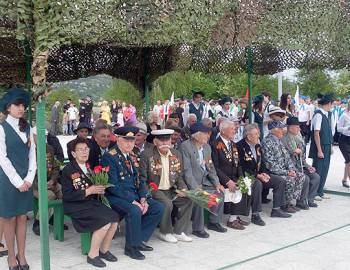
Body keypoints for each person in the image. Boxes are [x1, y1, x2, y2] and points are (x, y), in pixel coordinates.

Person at [101, 126, 164, 260]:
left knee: (158, 207)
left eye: (132, 140)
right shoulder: (109, 157)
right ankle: (131, 248)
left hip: (133, 195)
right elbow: (112, 186)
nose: (130, 143)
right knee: (134, 210)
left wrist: (143, 198)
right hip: (115, 196)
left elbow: (140, 180)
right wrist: (133, 200)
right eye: (126, 140)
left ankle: (139, 240)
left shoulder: (131, 155)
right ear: (118, 139)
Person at [61, 138, 119, 268]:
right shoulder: (68, 170)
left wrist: (99, 189)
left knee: (114, 219)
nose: (84, 152)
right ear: (74, 154)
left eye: (86, 149)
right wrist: (88, 191)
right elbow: (68, 195)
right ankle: (92, 255)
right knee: (104, 222)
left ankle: (104, 250)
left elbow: (92, 188)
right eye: (80, 150)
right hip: (75, 206)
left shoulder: (89, 167)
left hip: (90, 203)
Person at [0, 87, 36, 270]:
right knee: (9, 219)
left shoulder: (28, 128)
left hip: (25, 179)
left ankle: (22, 255)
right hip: (8, 180)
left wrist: (29, 178)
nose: (21, 108)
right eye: (17, 104)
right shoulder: (1, 128)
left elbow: (32, 156)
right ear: (7, 107)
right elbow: (2, 159)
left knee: (22, 217)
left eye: (23, 105)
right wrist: (18, 181)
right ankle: (10, 257)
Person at [140, 129, 193, 243]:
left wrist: (183, 189)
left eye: (167, 140)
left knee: (188, 199)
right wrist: (144, 194)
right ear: (155, 142)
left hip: (171, 189)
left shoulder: (176, 154)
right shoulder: (147, 154)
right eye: (161, 140)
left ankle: (178, 232)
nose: (165, 143)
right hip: (154, 189)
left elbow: (179, 176)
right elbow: (143, 178)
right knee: (167, 203)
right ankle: (165, 232)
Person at [237, 124, 291, 224]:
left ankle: (276, 209)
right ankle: (255, 214)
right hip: (243, 177)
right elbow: (241, 167)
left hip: (259, 175)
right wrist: (257, 175)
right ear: (248, 136)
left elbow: (262, 163)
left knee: (279, 180)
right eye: (256, 134)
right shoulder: (240, 146)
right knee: (257, 183)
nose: (259, 136)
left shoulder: (257, 145)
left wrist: (265, 173)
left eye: (258, 133)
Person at [180, 123, 226, 238]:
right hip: (189, 183)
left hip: (204, 181)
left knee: (219, 193)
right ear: (196, 135)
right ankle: (198, 228)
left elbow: (210, 167)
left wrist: (216, 183)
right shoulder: (185, 146)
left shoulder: (207, 147)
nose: (208, 136)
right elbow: (187, 171)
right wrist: (195, 187)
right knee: (200, 197)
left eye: (208, 133)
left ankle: (214, 222)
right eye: (205, 133)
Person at [211, 120, 251, 229]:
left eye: (234, 129)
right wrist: (228, 181)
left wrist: (241, 178)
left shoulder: (233, 144)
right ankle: (231, 220)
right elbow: (215, 167)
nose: (235, 131)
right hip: (222, 179)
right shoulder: (215, 144)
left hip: (234, 176)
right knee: (236, 187)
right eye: (232, 129)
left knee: (245, 185)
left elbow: (238, 164)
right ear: (223, 131)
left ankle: (235, 216)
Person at [262, 121, 308, 212]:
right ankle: (285, 205)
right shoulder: (267, 142)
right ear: (273, 130)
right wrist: (287, 172)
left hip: (284, 171)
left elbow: (287, 159)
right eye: (281, 128)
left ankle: (290, 202)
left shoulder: (279, 140)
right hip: (272, 172)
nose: (283, 130)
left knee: (300, 176)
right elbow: (270, 164)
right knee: (289, 179)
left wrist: (292, 170)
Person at [32, 127, 65, 236]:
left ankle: (55, 219)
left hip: (50, 182)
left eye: (45, 136)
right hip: (34, 185)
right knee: (49, 196)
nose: (44, 138)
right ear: (34, 136)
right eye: (41, 136)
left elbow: (55, 167)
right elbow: (28, 173)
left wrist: (52, 180)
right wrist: (42, 185)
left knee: (63, 192)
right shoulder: (29, 151)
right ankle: (38, 223)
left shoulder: (49, 148)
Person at [282, 117, 320, 208]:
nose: (299, 129)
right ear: (290, 128)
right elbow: (287, 157)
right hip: (291, 168)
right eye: (297, 127)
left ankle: (310, 199)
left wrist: (308, 166)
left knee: (316, 176)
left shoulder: (298, 138)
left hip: (301, 167)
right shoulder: (285, 139)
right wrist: (294, 152)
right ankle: (300, 201)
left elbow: (302, 159)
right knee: (305, 178)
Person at [309, 93, 334, 200]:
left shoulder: (328, 114)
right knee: (318, 169)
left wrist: (331, 146)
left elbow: (329, 132)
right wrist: (319, 150)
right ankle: (314, 193)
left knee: (325, 169)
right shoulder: (318, 114)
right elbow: (316, 133)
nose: (331, 106)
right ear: (328, 103)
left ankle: (320, 191)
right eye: (331, 104)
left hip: (327, 145)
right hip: (320, 146)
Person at [337, 99, 350, 188]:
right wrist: (347, 128)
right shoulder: (344, 115)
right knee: (349, 160)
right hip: (344, 140)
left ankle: (344, 180)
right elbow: (338, 128)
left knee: (348, 161)